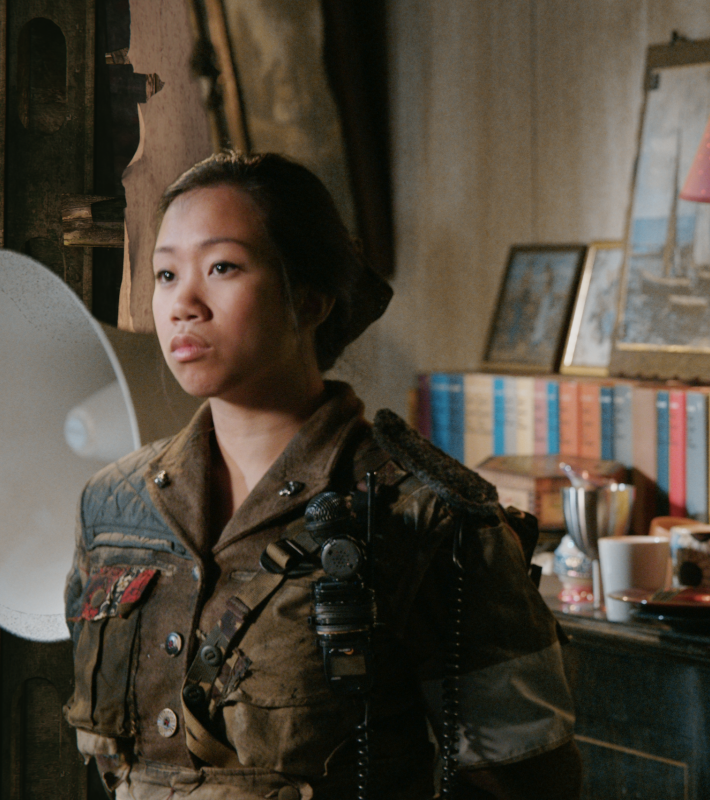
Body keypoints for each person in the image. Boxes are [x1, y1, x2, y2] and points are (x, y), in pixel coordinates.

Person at [61, 152, 582, 799]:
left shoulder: (421, 513)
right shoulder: (114, 506)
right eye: (166, 274)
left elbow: (524, 782)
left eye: (222, 267)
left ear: (309, 300)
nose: (183, 304)